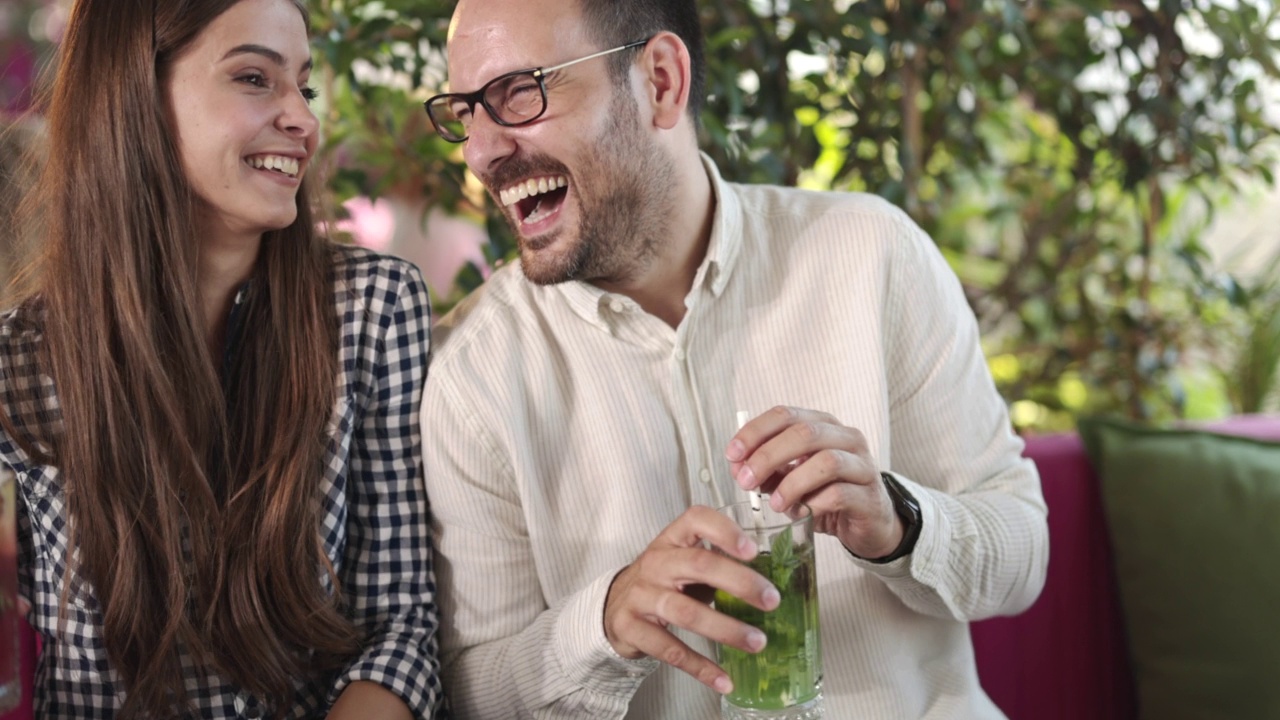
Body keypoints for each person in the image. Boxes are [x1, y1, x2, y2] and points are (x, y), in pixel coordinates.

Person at [420, 0, 1049, 716]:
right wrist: (602, 624)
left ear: (660, 81)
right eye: (466, 111)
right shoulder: (472, 377)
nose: (479, 151)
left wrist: (899, 521)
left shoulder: (872, 252)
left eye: (518, 93)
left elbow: (1023, 557)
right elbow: (468, 692)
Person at [0, 0, 444, 717]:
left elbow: (399, 626)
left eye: (303, 85)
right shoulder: (21, 359)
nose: (303, 119)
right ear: (133, 97)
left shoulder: (373, 308)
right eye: (253, 78)